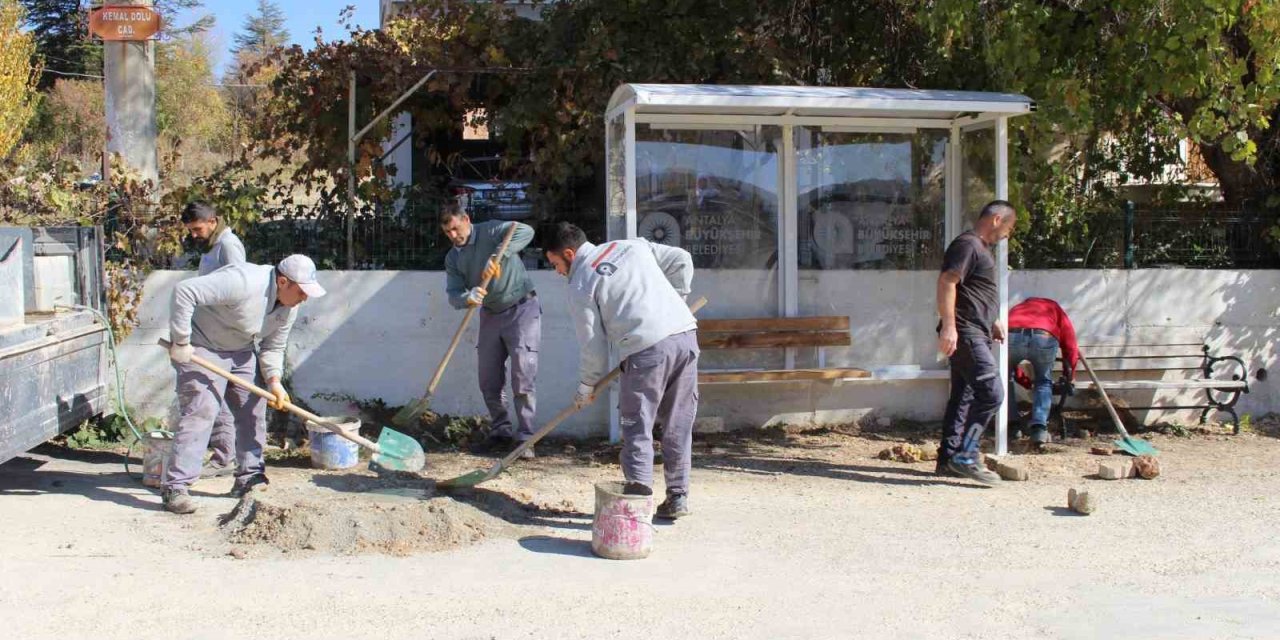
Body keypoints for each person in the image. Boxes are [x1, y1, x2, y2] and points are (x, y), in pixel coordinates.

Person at [543, 223, 699, 520]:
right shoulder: (632, 246)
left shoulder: (581, 283)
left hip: (645, 351)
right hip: (685, 337)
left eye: (555, 264)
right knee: (678, 423)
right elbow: (681, 259)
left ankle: (636, 513)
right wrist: (677, 300)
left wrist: (586, 387)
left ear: (568, 253)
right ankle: (678, 497)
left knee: (637, 429)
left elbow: (594, 347)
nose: (557, 272)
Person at [163, 255, 325, 514]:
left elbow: (273, 346)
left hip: (241, 350)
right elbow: (184, 291)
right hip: (201, 347)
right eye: (302, 291)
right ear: (283, 282)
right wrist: (181, 341)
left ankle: (250, 476)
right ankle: (176, 487)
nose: (304, 298)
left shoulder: (289, 306)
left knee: (253, 411)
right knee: (202, 413)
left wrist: (274, 381)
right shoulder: (243, 281)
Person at [440, 202, 540, 458]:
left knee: (522, 376)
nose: (453, 235)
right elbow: (453, 295)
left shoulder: (492, 230)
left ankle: (526, 438)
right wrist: (468, 298)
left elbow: (525, 231)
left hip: (521, 308)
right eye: (447, 232)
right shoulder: (453, 258)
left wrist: (498, 256)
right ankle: (501, 431)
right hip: (490, 314)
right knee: (488, 378)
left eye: (455, 228)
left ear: (466, 219)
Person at [935, 200, 1018, 484]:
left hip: (975, 330)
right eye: (1009, 227)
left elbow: (974, 291)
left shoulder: (979, 249)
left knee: (964, 395)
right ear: (996, 219)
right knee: (992, 393)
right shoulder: (968, 245)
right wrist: (949, 326)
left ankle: (948, 459)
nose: (1008, 234)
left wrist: (993, 319)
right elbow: (947, 282)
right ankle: (967, 455)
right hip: (966, 332)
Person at [181, 201, 246, 479]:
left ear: (212, 221)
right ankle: (223, 457)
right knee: (213, 398)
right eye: (191, 230)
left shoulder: (229, 246)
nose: (194, 234)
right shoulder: (213, 247)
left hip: (223, 338)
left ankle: (231, 460)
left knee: (218, 400)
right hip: (208, 334)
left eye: (197, 229)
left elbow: (237, 287)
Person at [1007, 297, 1080, 445]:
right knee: (1043, 381)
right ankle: (1039, 429)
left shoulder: (1017, 309)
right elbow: (1070, 346)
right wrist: (1070, 376)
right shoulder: (1054, 308)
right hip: (1044, 336)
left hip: (1011, 335)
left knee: (1004, 377)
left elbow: (1009, 365)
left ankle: (1012, 426)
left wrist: (1024, 381)